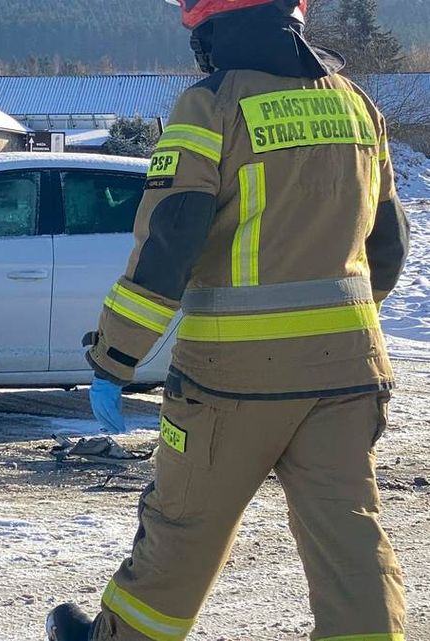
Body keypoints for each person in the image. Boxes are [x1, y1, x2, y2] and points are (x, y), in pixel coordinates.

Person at [48, 1, 410, 639]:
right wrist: (338, 330)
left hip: (230, 382)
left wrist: (114, 357)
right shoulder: (354, 103)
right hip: (349, 373)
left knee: (184, 528)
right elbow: (390, 242)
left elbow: (172, 240)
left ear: (210, 23)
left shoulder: (210, 105)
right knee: (349, 536)